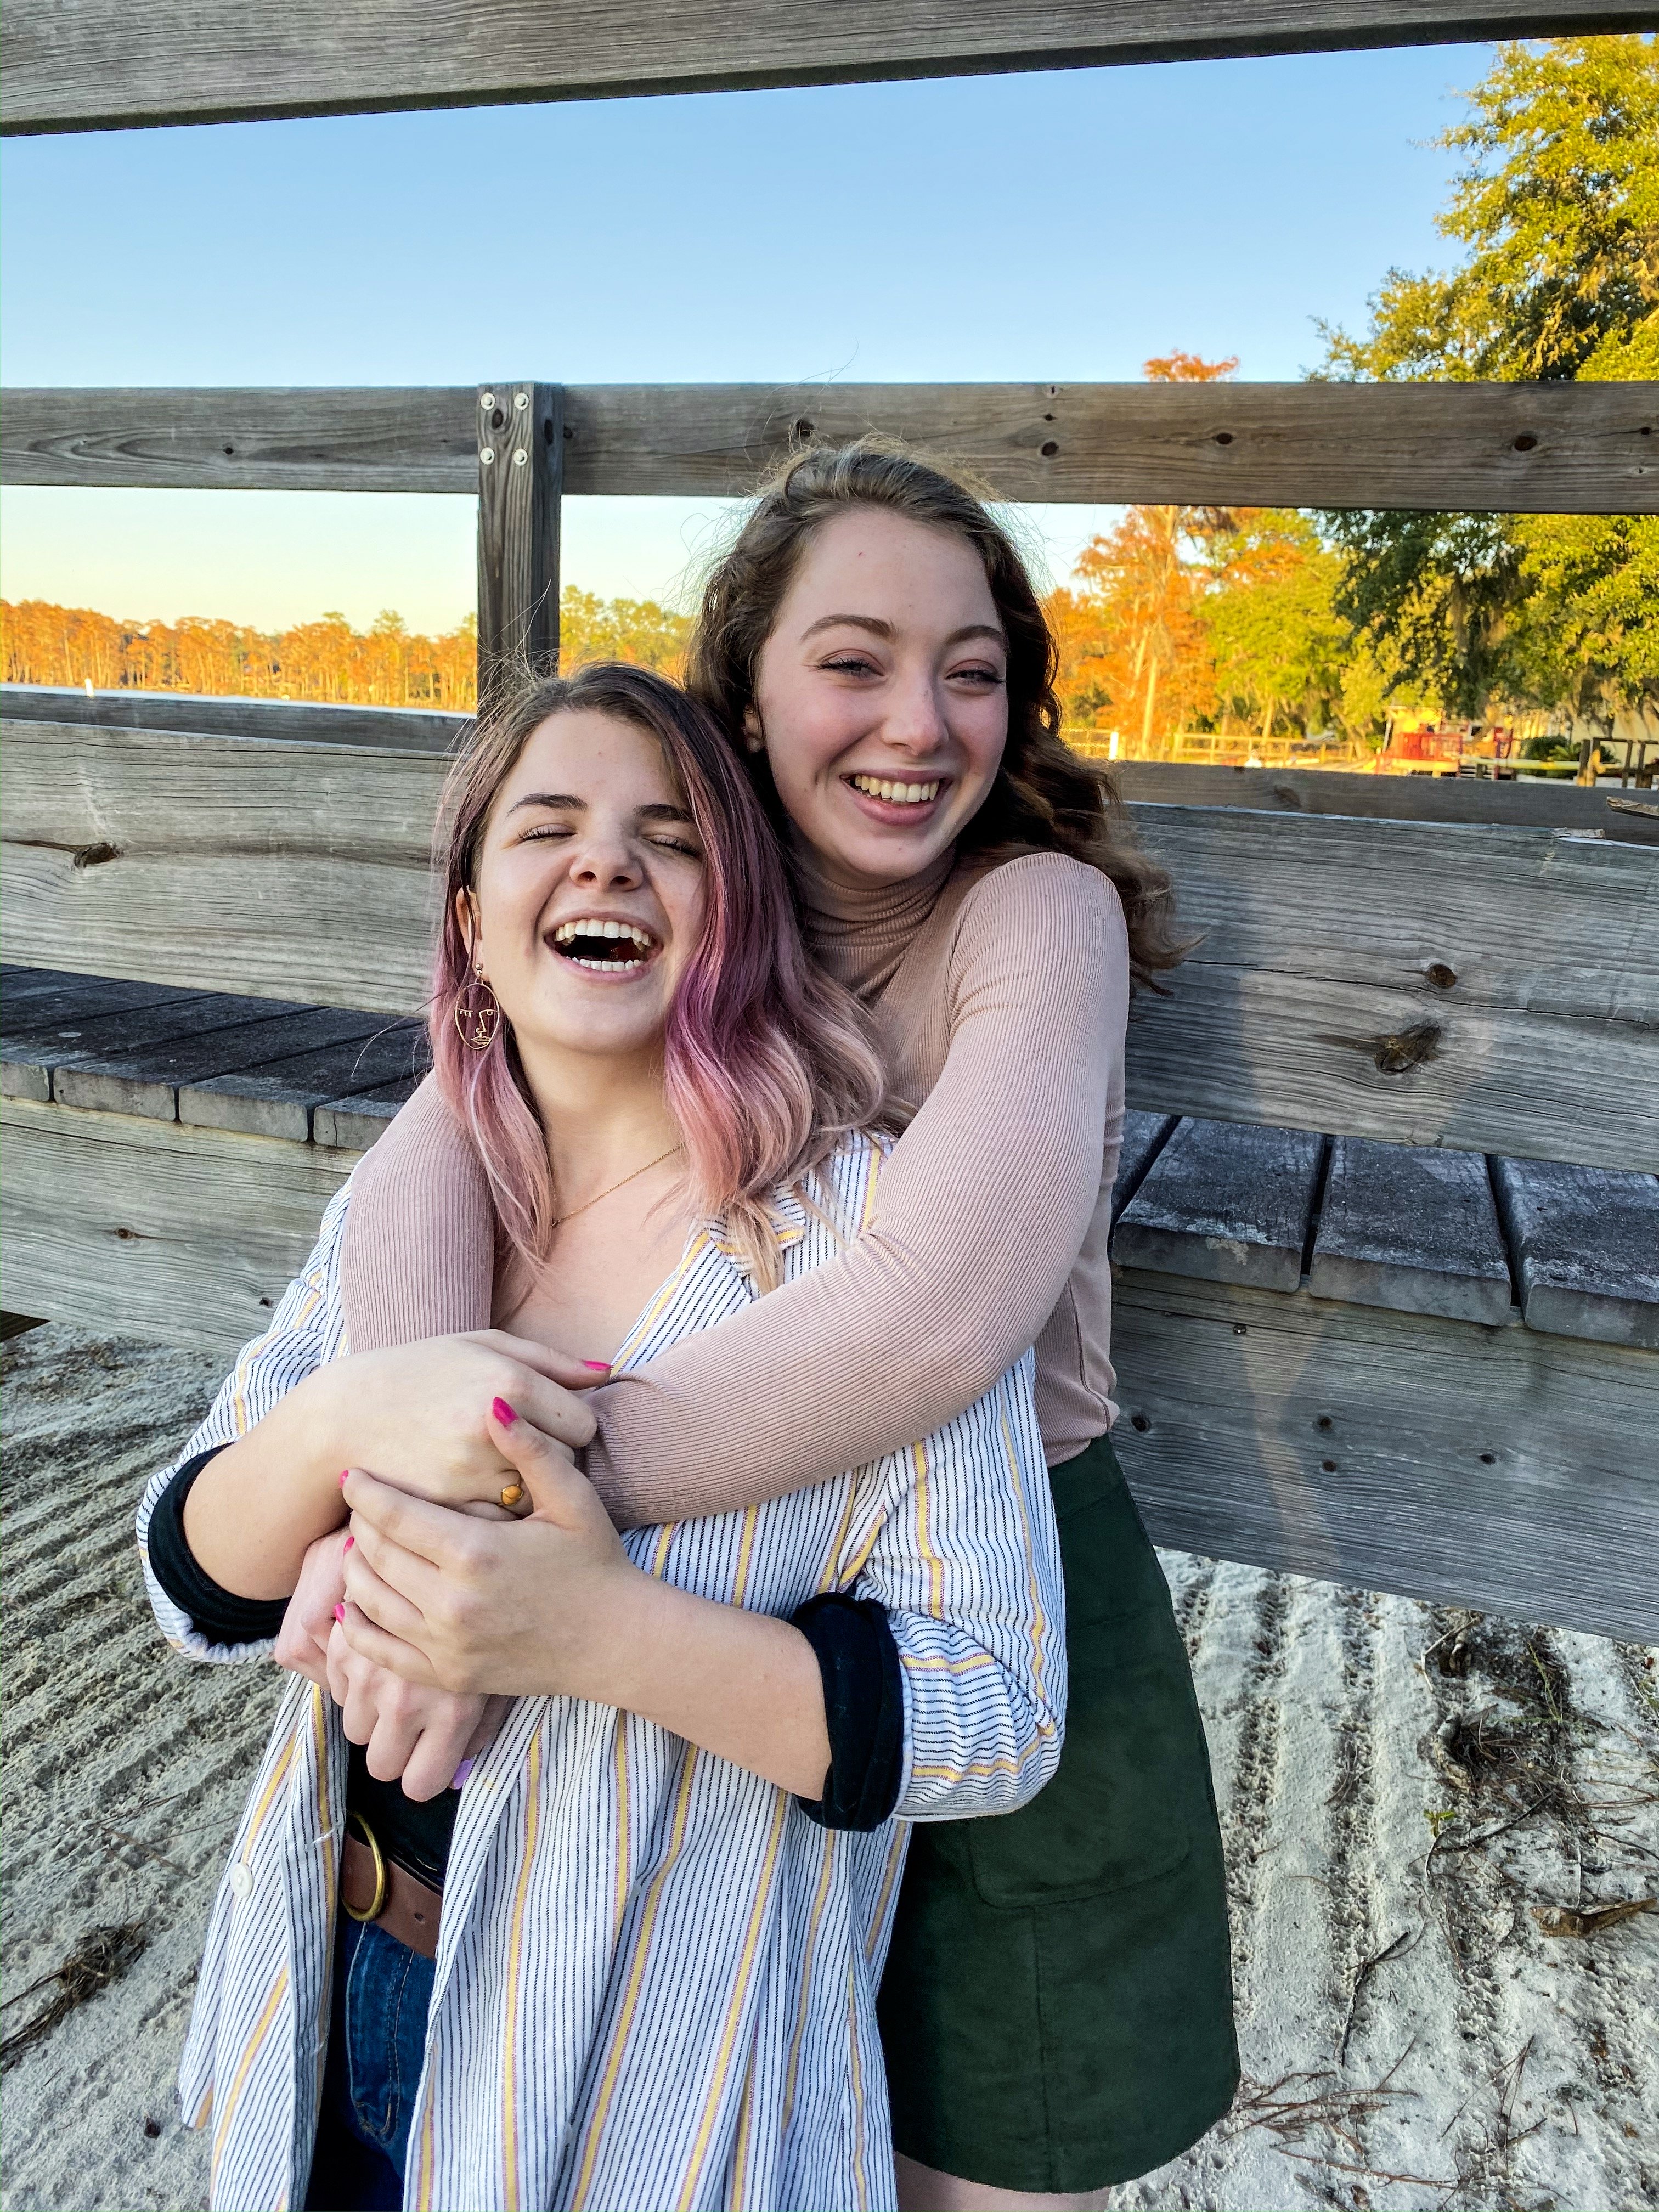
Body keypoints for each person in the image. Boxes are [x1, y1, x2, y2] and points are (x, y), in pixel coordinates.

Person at [327, 443, 1240, 2210]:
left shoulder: (1024, 917)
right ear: (740, 698)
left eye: (974, 671)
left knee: (970, 2163)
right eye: (854, 660)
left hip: (991, 1590)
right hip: (695, 1609)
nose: (920, 720)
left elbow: (936, 1315)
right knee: (727, 2127)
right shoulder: (682, 909)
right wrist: (407, 1490)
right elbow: (440, 1128)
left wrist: (512, 1520)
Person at [137, 664, 1066, 2212]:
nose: (606, 864)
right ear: (472, 925)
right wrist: (351, 1422)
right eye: (546, 827)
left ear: (735, 916)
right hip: (332, 1988)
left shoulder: (863, 1235)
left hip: (665, 2084)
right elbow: (194, 1582)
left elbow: (999, 1709)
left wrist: (599, 1633)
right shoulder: (406, 1214)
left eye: (670, 837)